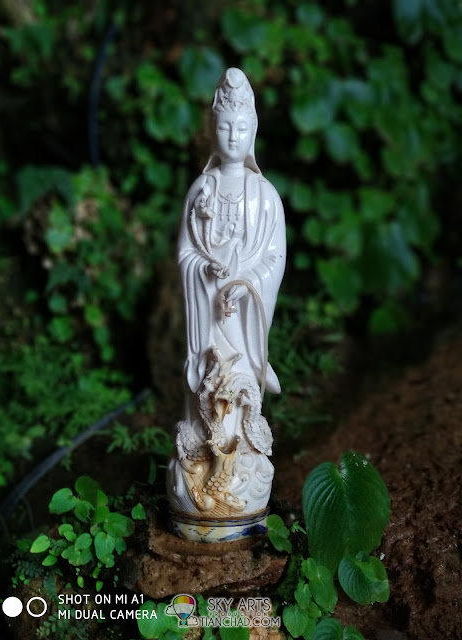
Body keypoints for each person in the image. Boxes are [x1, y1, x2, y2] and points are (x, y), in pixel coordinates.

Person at [167, 68, 286, 534]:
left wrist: (247, 281)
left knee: (239, 392)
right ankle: (199, 468)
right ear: (211, 130)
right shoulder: (201, 191)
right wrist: (206, 271)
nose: (233, 136)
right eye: (224, 127)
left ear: (253, 130)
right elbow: (185, 254)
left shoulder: (265, 196)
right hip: (208, 316)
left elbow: (274, 257)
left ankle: (239, 467)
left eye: (241, 127)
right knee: (207, 388)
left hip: (244, 316)